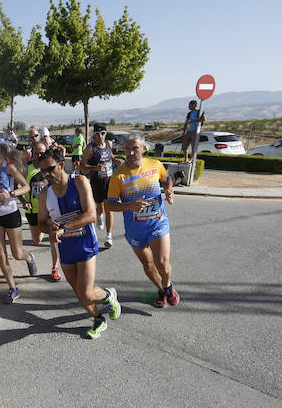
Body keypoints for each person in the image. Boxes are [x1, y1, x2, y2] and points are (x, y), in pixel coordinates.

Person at [37, 149, 120, 339]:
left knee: (87, 293)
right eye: (43, 171)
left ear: (60, 165)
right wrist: (49, 227)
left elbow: (91, 215)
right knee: (80, 294)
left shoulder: (79, 182)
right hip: (65, 248)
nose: (46, 174)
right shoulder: (44, 194)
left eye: (49, 169)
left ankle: (109, 295)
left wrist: (64, 228)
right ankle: (99, 319)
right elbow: (40, 224)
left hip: (84, 245)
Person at [105, 133, 179, 308]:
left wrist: (169, 191)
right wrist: (129, 206)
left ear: (144, 149)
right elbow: (109, 205)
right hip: (135, 229)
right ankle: (161, 289)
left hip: (157, 222)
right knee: (148, 264)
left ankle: (168, 286)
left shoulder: (155, 165)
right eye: (127, 149)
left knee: (162, 262)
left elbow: (168, 180)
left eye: (134, 148)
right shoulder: (118, 176)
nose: (130, 152)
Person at [0, 140, 37, 303]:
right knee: (1, 255)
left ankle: (29, 258)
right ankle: (13, 288)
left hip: (10, 213)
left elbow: (26, 187)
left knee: (17, 253)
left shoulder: (8, 167)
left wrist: (10, 194)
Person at [23, 142, 61, 281]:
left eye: (42, 152)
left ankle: (55, 268)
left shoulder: (50, 167)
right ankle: (31, 257)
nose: (39, 155)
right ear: (32, 153)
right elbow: (16, 187)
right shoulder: (26, 169)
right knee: (37, 240)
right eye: (36, 153)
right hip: (33, 211)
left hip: (50, 209)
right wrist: (23, 201)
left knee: (53, 238)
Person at [80, 125, 116, 247]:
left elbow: (111, 157)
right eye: (97, 134)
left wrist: (116, 161)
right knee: (100, 207)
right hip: (97, 182)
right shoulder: (90, 148)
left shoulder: (109, 144)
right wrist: (95, 168)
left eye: (102, 133)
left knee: (109, 208)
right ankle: (99, 214)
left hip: (109, 181)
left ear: (106, 134)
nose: (100, 136)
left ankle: (109, 236)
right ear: (94, 134)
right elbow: (81, 166)